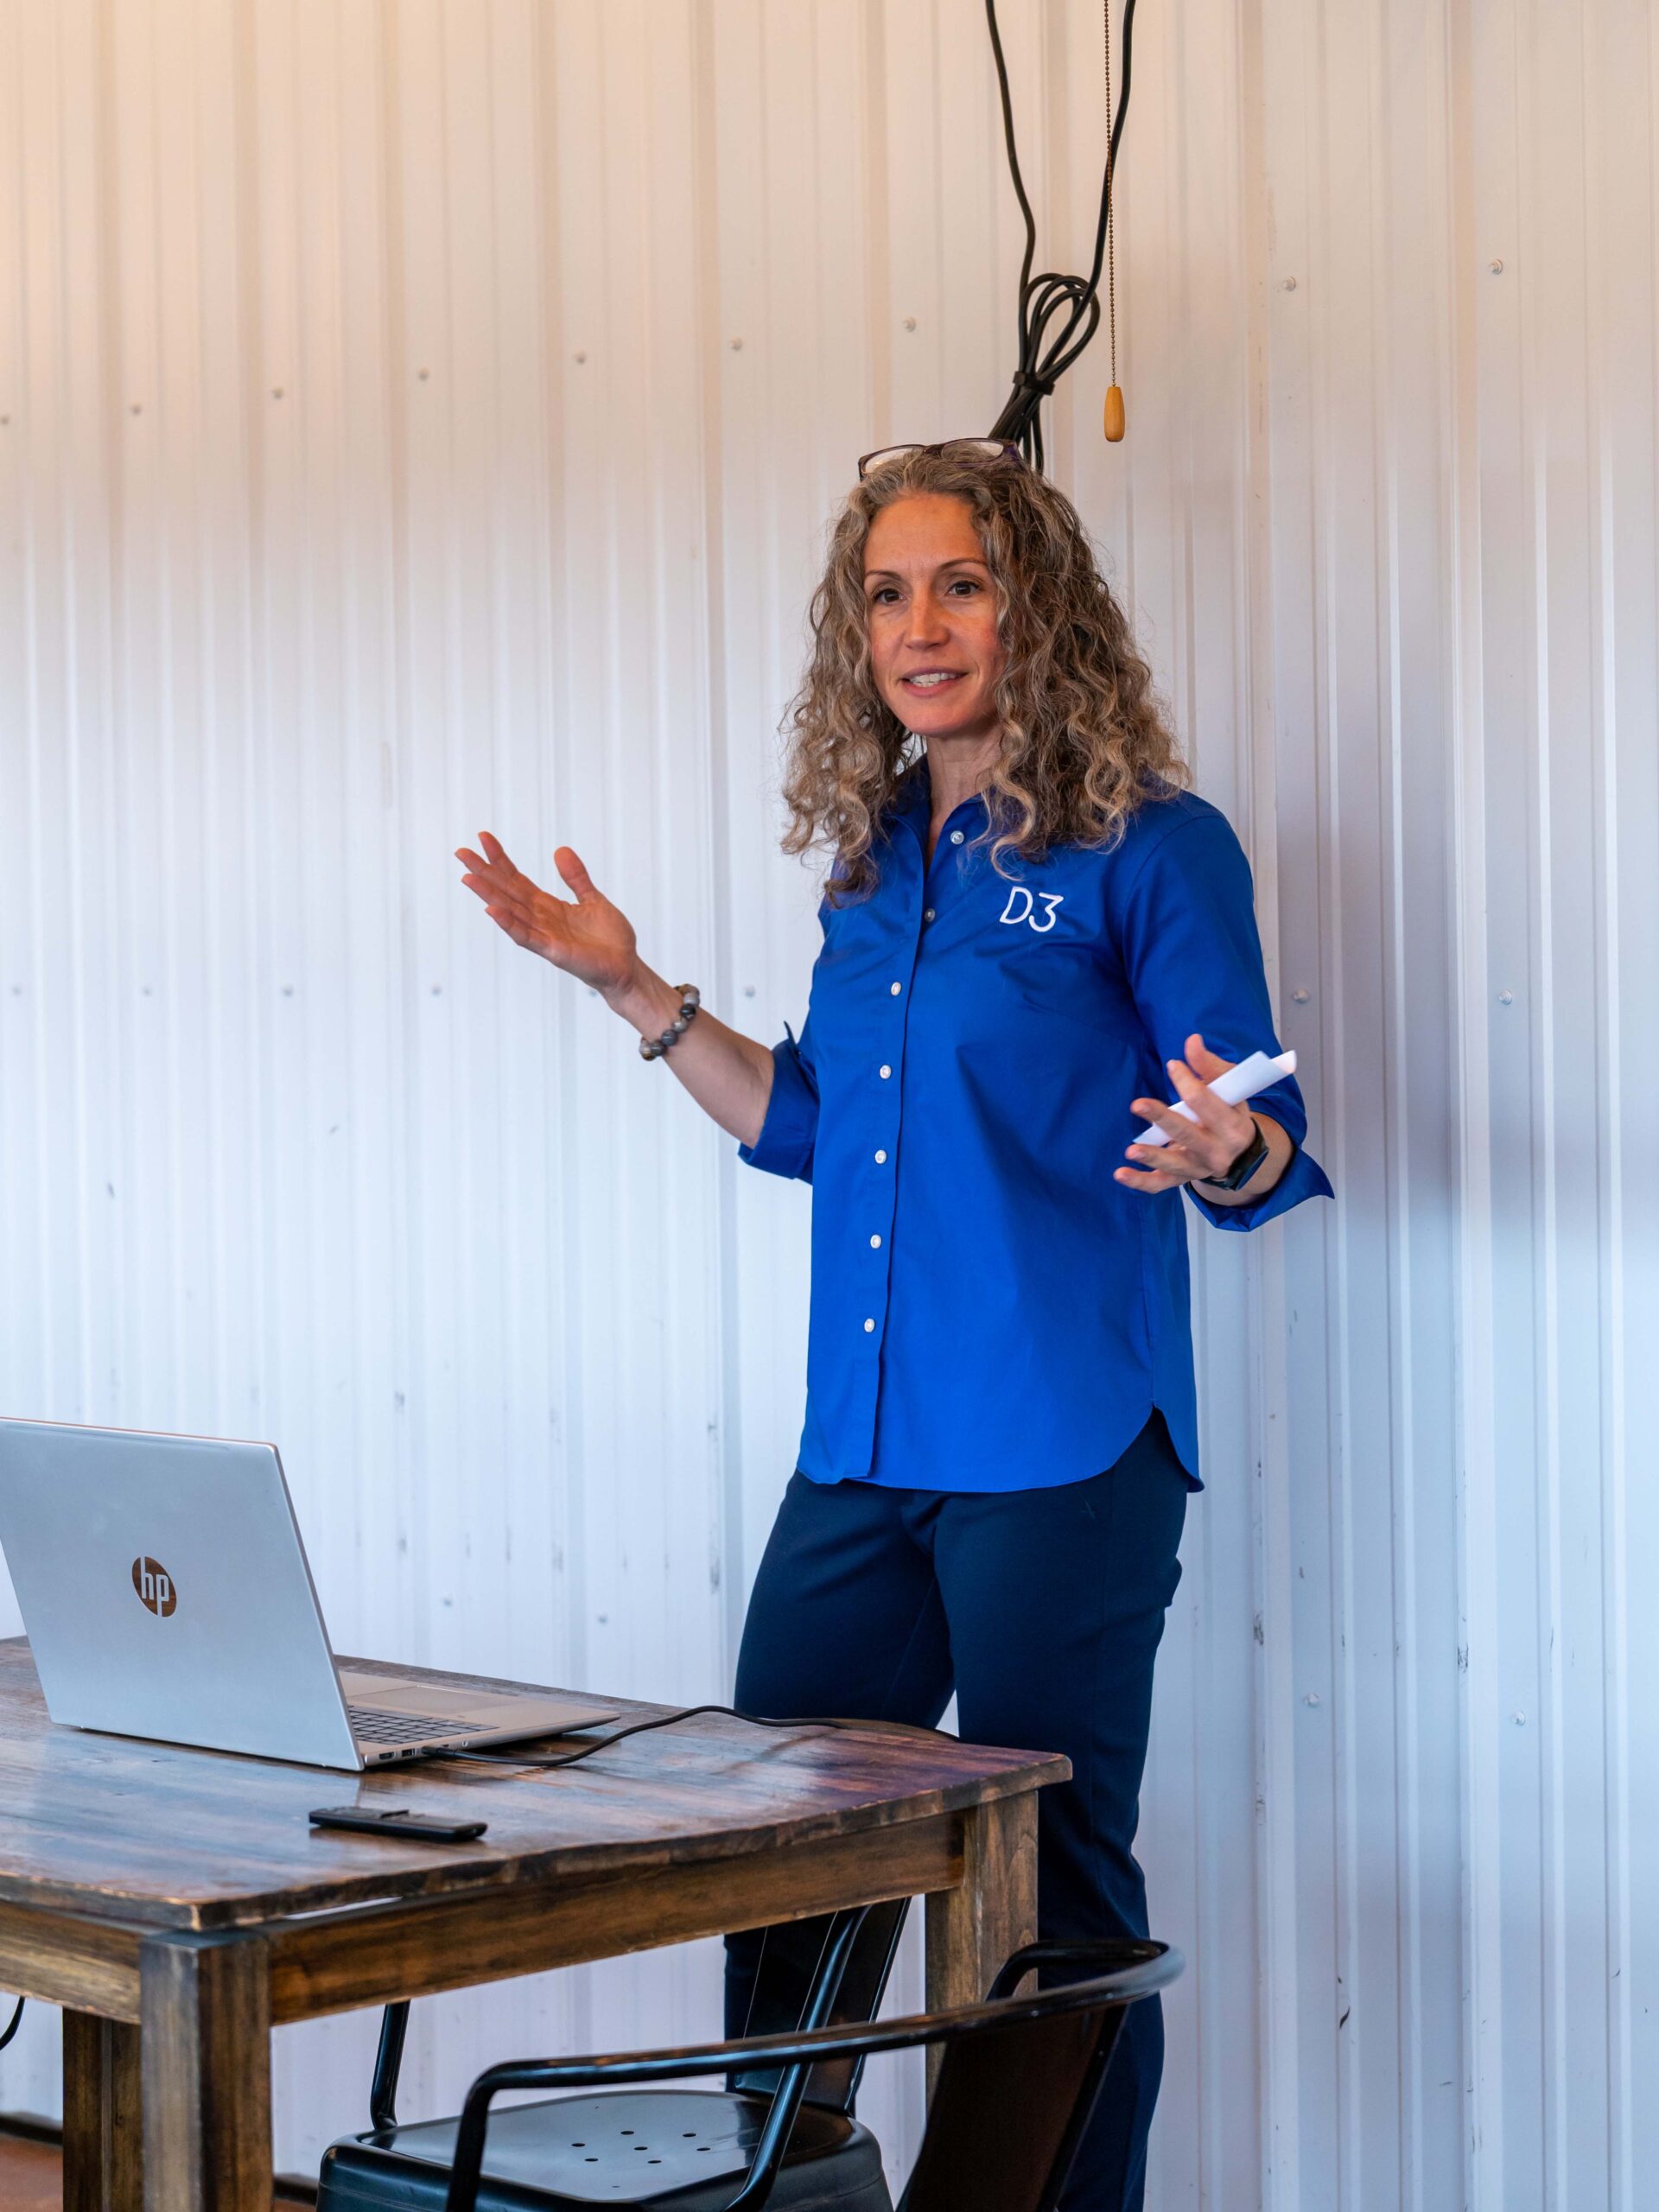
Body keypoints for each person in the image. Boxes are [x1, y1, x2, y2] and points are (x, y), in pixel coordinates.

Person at [455, 438, 1332, 2210]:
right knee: (780, 1862)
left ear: (1035, 610)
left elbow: (1259, 1127)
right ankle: (788, 2192)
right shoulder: (872, 867)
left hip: (1062, 1450)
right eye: (885, 593)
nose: (919, 626)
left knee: (1051, 1901)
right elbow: (812, 1124)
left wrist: (1226, 1147)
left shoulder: (1156, 850)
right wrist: (633, 987)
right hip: (859, 1453)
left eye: (960, 585)